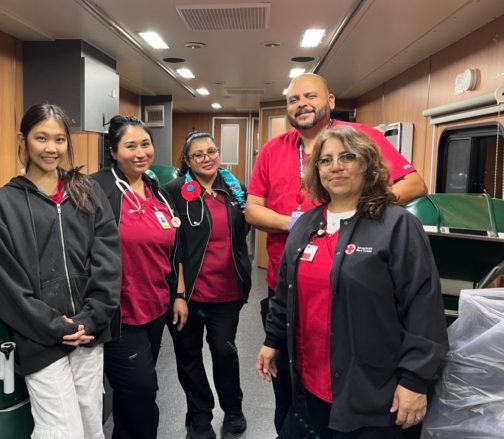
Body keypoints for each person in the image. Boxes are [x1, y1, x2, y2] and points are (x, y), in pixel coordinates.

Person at [245, 73, 428, 435]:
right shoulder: (273, 150)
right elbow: (252, 211)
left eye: (310, 96)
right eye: (294, 99)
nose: (302, 104)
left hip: (359, 291)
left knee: (357, 394)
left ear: (330, 100)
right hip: (292, 288)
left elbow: (415, 183)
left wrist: (363, 215)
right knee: (296, 395)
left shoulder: (364, 139)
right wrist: (303, 225)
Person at [0, 103, 121, 439]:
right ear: (24, 140)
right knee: (61, 432)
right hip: (40, 338)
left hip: (88, 333)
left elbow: (108, 260)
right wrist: (54, 326)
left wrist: (91, 318)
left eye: (59, 139)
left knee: (91, 424)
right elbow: (8, 285)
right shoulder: (4, 202)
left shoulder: (87, 191)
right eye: (41, 137)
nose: (51, 148)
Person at [91, 115, 182, 439]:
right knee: (143, 391)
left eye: (145, 144)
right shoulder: (97, 189)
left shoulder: (157, 190)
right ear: (114, 151)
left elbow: (175, 244)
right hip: (120, 313)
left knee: (131, 397)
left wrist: (179, 294)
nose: (140, 152)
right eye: (130, 146)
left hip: (155, 308)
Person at [164, 132, 252, 439]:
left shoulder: (235, 188)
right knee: (188, 356)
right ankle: (199, 414)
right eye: (198, 154)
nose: (207, 158)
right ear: (187, 161)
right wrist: (179, 293)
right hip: (187, 295)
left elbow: (244, 233)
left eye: (211, 151)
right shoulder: (173, 192)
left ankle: (233, 408)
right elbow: (173, 246)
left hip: (227, 292)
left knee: (224, 352)